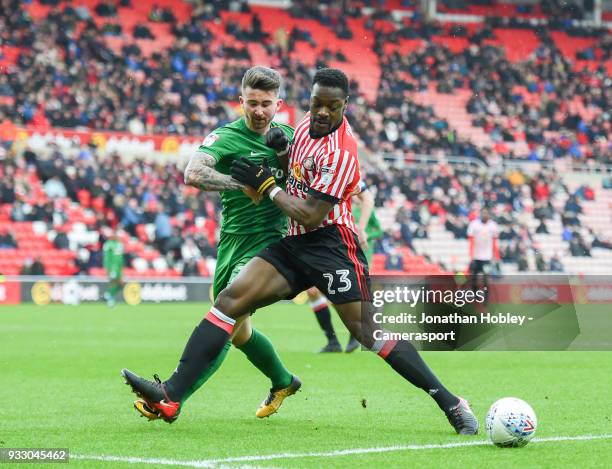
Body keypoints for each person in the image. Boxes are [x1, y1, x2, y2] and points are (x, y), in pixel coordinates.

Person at [121, 68, 479, 435]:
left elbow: (310, 214)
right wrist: (282, 152)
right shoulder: (304, 124)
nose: (322, 113)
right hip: (293, 243)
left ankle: (451, 402)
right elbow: (295, 169)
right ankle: (170, 395)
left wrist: (268, 186)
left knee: (367, 333)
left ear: (345, 106)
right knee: (229, 302)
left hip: (332, 244)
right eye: (316, 103)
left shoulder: (342, 152)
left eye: (332, 107)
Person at [132, 66, 300, 422]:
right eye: (251, 103)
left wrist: (286, 159)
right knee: (239, 333)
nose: (258, 111)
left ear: (279, 104)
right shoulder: (226, 137)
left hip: (271, 244)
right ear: (240, 101)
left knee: (229, 319)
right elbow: (193, 172)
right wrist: (241, 185)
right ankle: (283, 381)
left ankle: (172, 398)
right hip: (232, 243)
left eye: (266, 104)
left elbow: (308, 181)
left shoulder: (289, 136)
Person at [309, 185, 381, 353]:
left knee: (344, 294)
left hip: (355, 251)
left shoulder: (363, 209)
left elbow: (378, 229)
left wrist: (364, 232)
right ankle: (332, 340)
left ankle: (354, 337)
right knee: (315, 291)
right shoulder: (336, 201)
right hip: (323, 245)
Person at [467, 208, 500, 294]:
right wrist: (471, 255)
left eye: (486, 213)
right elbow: (471, 241)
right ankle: (475, 295)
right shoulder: (474, 224)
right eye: (483, 213)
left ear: (489, 215)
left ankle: (486, 298)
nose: (484, 215)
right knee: (473, 278)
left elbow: (494, 242)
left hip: (487, 257)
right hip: (476, 257)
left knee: (486, 279)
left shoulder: (493, 226)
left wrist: (496, 255)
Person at [102, 228, 124, 307]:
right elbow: (106, 258)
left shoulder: (120, 244)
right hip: (112, 268)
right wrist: (108, 268)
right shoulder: (108, 244)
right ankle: (110, 300)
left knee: (120, 284)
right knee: (113, 282)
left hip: (119, 268)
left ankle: (108, 295)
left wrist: (121, 267)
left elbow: (121, 257)